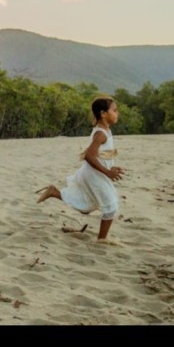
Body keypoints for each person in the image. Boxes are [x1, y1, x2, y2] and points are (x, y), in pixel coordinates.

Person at [37, 97, 125, 242]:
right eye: (114, 110)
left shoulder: (106, 131)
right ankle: (102, 239)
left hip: (96, 174)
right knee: (110, 206)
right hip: (93, 175)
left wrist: (110, 167)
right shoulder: (101, 133)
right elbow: (89, 156)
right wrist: (108, 172)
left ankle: (55, 192)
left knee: (87, 207)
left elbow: (100, 155)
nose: (117, 113)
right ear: (103, 113)